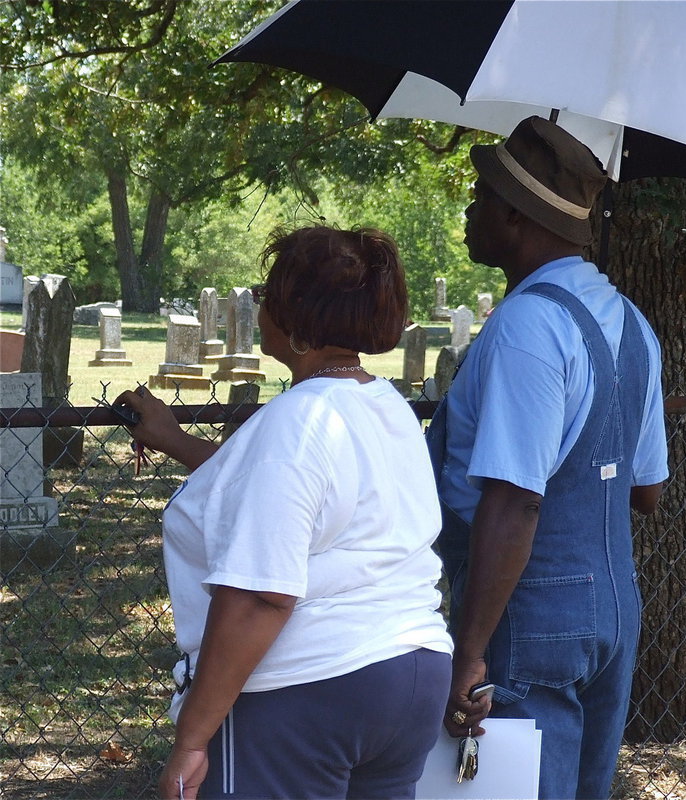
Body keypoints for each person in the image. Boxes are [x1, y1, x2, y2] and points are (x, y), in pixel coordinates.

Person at [115, 226, 453, 800]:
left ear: (297, 326)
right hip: (411, 670)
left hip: (311, 685)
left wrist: (192, 738)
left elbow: (259, 595)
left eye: (269, 294)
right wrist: (175, 439)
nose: (261, 305)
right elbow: (292, 491)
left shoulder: (295, 424)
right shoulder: (380, 402)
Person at [428, 116, 669, 800]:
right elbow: (646, 491)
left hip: (527, 611)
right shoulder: (629, 322)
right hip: (612, 607)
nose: (470, 211)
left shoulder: (528, 326)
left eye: (480, 198)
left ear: (514, 214)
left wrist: (470, 650)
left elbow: (514, 499)